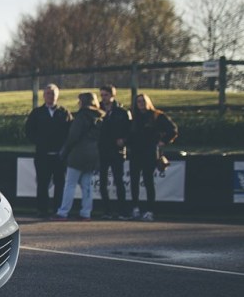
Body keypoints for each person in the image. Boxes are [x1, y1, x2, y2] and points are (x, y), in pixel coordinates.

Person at [52, 92, 104, 221]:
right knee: (87, 186)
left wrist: (65, 151)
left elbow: (73, 136)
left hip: (78, 153)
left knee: (70, 184)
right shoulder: (100, 116)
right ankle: (86, 212)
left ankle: (63, 211)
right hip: (93, 153)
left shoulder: (81, 116)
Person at [25, 84, 73, 218]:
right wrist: (40, 143)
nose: (50, 96)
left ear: (57, 96)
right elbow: (29, 131)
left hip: (60, 156)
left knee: (60, 183)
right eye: (48, 94)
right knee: (42, 183)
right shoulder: (37, 113)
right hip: (42, 155)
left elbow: (70, 132)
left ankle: (58, 209)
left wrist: (64, 147)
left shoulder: (64, 112)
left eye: (53, 94)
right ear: (43, 96)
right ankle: (42, 210)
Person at [128, 93, 178, 222]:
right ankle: (135, 208)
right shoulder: (133, 117)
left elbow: (173, 129)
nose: (141, 104)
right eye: (138, 101)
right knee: (134, 181)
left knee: (148, 181)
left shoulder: (157, 116)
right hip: (135, 152)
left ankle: (150, 210)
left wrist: (163, 141)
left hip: (149, 152)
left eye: (143, 101)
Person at [97, 85, 131, 219]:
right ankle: (107, 210)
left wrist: (124, 140)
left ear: (112, 95)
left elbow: (130, 130)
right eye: (102, 95)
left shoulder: (122, 112)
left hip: (117, 151)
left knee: (119, 181)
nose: (103, 98)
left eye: (106, 95)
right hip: (102, 150)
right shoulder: (98, 110)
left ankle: (122, 210)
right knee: (102, 182)